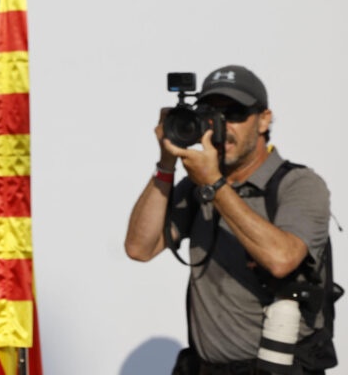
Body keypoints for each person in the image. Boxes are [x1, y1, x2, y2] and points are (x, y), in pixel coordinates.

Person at [125, 65, 333, 374]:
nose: (222, 125)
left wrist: (215, 186)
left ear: (264, 119)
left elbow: (282, 259)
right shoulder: (200, 185)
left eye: (235, 113)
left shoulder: (298, 184)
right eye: (211, 113)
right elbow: (140, 248)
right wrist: (167, 163)